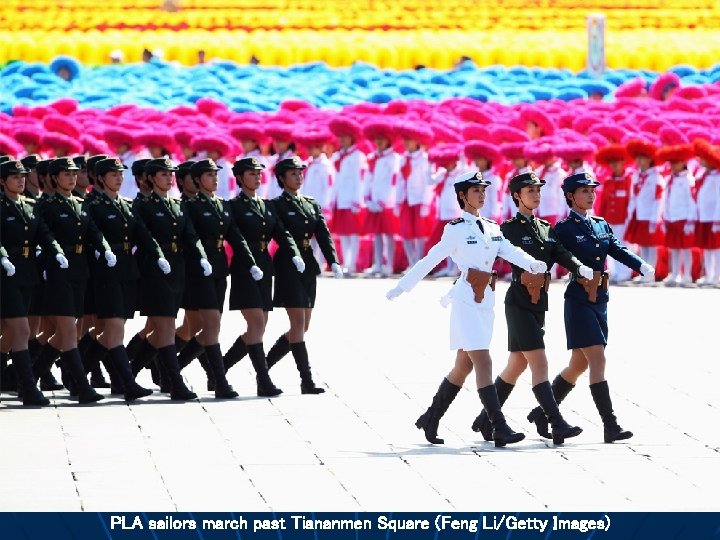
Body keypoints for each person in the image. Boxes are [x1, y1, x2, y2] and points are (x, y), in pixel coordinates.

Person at [386, 171, 547, 447]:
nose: (482, 194)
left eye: (483, 190)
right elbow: (431, 259)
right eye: (475, 191)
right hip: (465, 301)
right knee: (483, 362)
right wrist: (403, 286)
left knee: (462, 366)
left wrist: (531, 263)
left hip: (485, 300)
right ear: (462, 196)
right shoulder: (456, 229)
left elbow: (509, 251)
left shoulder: (493, 227)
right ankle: (499, 426)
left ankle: (431, 417)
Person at [525, 172, 654, 443]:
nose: (591, 194)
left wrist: (639, 265)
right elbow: (551, 257)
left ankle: (541, 413)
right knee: (597, 358)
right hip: (579, 298)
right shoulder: (563, 228)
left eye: (592, 190)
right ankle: (611, 425)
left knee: (578, 364)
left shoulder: (600, 223)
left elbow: (616, 249)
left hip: (601, 299)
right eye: (585, 191)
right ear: (571, 196)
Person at [470, 171, 591, 445]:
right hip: (519, 301)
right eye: (530, 191)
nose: (536, 195)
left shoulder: (546, 228)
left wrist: (579, 267)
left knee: (516, 364)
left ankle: (484, 419)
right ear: (516, 196)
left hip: (540, 302)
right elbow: (491, 253)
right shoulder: (509, 228)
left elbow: (561, 253)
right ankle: (555, 421)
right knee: (539, 361)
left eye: (538, 191)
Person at [33, 157, 116, 404]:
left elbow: (93, 232)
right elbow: (44, 234)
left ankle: (25, 377)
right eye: (66, 174)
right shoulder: (46, 204)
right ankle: (81, 386)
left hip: (80, 269)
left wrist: (105, 247)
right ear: (53, 178)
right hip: (58, 270)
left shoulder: (80, 204)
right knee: (68, 330)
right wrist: (55, 253)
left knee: (66, 334)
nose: (71, 177)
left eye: (73, 174)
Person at [132, 157, 212, 400]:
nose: (169, 178)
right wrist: (158, 256)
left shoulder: (178, 205)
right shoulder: (143, 205)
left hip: (177, 269)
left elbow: (190, 235)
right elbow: (144, 235)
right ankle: (175, 383)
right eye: (163, 174)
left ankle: (126, 373)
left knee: (160, 330)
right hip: (154, 270)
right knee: (165, 327)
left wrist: (202, 257)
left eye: (170, 174)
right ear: (151, 178)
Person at [182, 159, 263, 398]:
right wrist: (201, 258)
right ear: (197, 180)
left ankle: (172, 368)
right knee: (211, 325)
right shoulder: (191, 206)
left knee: (211, 326)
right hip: (199, 270)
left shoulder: (223, 205)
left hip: (218, 268)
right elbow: (191, 237)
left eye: (215, 175)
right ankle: (220, 382)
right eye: (208, 176)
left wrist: (251, 263)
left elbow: (236, 238)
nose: (214, 179)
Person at [80, 158, 158, 401]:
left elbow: (141, 234)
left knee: (113, 331)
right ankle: (127, 383)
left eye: (120, 174)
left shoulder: (125, 204)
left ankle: (77, 374)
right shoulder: (92, 204)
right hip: (105, 270)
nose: (119, 178)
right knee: (113, 328)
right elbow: (89, 233)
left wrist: (158, 255)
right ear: (101, 178)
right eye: (113, 174)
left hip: (127, 269)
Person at [265, 157, 344, 394]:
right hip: (288, 264)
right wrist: (293, 253)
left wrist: (333, 261)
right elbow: (279, 234)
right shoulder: (276, 205)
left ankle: (263, 365)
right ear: (281, 178)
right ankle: (306, 380)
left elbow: (323, 233)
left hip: (307, 263)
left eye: (300, 173)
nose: (298, 177)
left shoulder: (310, 203)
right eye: (292, 174)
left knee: (303, 326)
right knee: (297, 323)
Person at [223, 157, 300, 397]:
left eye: (258, 174)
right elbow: (236, 237)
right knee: (255, 323)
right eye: (251, 174)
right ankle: (263, 379)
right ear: (239, 178)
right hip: (245, 268)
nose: (257, 177)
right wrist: (250, 262)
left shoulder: (266, 205)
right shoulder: (233, 206)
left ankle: (220, 368)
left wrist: (295, 253)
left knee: (259, 327)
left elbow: (281, 232)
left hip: (265, 265)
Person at [0, 159, 66, 405]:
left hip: (28, 272)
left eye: (23, 177)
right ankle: (27, 388)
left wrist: (56, 250)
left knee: (11, 332)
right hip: (6, 274)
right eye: (15, 177)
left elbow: (44, 234)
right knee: (21, 329)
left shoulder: (30, 205)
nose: (21, 180)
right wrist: (4, 258)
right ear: (2, 181)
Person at [328, 118, 367, 275]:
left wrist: (357, 200)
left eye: (345, 136)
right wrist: (332, 199)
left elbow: (359, 179)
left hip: (352, 199)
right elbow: (335, 180)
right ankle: (345, 262)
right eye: (340, 136)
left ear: (352, 137)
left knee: (353, 233)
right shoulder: (338, 156)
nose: (342, 140)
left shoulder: (357, 156)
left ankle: (352, 263)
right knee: (343, 233)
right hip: (340, 199)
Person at [362, 121, 400, 276]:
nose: (379, 142)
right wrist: (368, 199)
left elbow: (394, 180)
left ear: (389, 140)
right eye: (376, 139)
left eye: (382, 139)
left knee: (389, 234)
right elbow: (368, 179)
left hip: (387, 203)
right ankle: (377, 264)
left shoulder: (394, 158)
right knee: (376, 234)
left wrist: (385, 200)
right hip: (374, 202)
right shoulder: (372, 158)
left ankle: (389, 265)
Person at [656, 145, 697, 285]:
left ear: (683, 163)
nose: (673, 166)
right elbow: (665, 200)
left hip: (684, 219)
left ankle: (687, 275)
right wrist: (664, 217)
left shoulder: (688, 180)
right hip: (671, 219)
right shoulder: (669, 179)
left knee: (685, 249)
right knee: (673, 249)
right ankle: (674, 273)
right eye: (671, 163)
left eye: (676, 163)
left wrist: (691, 220)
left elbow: (692, 200)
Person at [624, 139, 664, 282]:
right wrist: (630, 214)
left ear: (650, 159)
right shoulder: (636, 176)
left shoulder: (656, 177)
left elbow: (658, 198)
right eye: (638, 158)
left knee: (651, 246)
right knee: (642, 245)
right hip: (639, 215)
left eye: (643, 158)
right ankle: (644, 272)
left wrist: (655, 218)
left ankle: (651, 273)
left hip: (650, 216)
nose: (639, 161)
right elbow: (633, 196)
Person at [595, 144, 634, 283]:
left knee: (623, 246)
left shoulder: (629, 180)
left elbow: (631, 201)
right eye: (612, 163)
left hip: (623, 219)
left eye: (617, 163)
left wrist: (630, 220)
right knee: (610, 247)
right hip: (610, 219)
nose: (614, 166)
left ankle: (625, 272)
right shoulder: (609, 181)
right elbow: (604, 202)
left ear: (623, 163)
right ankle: (615, 272)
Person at [692, 139, 720, 285]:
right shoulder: (703, 174)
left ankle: (717, 275)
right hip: (704, 216)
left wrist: (717, 219)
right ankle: (709, 274)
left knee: (716, 249)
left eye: (703, 158)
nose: (700, 161)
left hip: (714, 218)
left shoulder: (717, 177)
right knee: (707, 248)